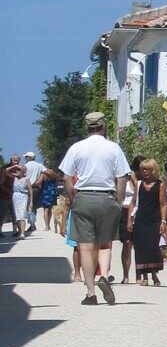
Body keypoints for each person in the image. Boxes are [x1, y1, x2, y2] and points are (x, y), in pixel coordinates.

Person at [59, 111, 130, 306]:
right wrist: (119, 201)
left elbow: (66, 177)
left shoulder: (76, 148)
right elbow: (122, 177)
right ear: (104, 126)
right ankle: (104, 275)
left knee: (85, 246)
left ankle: (91, 293)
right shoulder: (113, 148)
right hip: (107, 197)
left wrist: (72, 197)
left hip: (83, 196)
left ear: (87, 126)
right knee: (105, 243)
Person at [129, 158, 167, 286]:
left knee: (153, 248)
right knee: (141, 248)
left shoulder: (160, 184)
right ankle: (144, 276)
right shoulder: (139, 184)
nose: (144, 172)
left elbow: (163, 204)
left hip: (154, 220)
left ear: (153, 170)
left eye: (147, 169)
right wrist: (129, 220)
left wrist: (163, 221)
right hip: (140, 220)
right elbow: (133, 202)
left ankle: (154, 274)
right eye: (142, 169)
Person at [119, 155, 144, 283]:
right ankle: (126, 275)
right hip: (125, 211)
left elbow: (140, 195)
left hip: (140, 212)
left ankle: (139, 275)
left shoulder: (144, 182)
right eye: (140, 169)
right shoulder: (126, 179)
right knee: (127, 243)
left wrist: (136, 182)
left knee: (139, 245)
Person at [23, 152, 43, 231]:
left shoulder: (25, 166)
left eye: (26, 157)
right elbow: (45, 172)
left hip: (27, 188)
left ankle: (30, 224)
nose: (25, 158)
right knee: (34, 206)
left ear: (29, 157)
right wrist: (39, 180)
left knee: (27, 206)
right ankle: (32, 223)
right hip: (36, 187)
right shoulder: (40, 165)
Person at [37, 164, 60, 230]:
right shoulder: (54, 174)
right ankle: (49, 225)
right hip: (52, 191)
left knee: (45, 209)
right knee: (49, 209)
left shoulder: (43, 173)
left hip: (45, 191)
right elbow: (57, 182)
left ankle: (47, 226)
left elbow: (39, 182)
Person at [11, 166, 31, 240]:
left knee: (22, 215)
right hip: (15, 196)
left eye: (19, 170)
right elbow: (6, 171)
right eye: (17, 170)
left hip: (23, 196)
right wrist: (15, 166)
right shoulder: (14, 178)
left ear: (23, 172)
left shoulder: (26, 179)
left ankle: (22, 233)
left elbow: (30, 191)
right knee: (17, 216)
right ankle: (20, 232)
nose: (17, 171)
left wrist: (31, 202)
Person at [0, 160, 15, 238]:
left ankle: (15, 230)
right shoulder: (3, 174)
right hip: (4, 196)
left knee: (13, 214)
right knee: (2, 214)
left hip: (12, 196)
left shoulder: (16, 172)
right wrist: (8, 191)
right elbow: (1, 184)